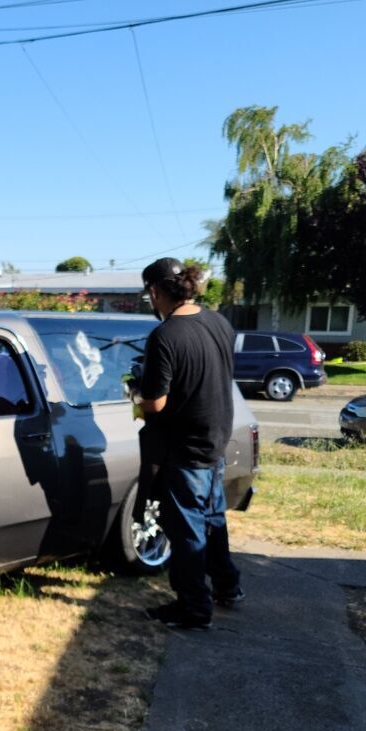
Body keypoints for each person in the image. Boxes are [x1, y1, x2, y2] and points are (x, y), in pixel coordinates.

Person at [133, 257, 242, 629]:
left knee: (187, 531)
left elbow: (156, 403)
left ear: (154, 291)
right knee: (213, 520)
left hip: (185, 450)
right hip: (216, 441)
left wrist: (138, 393)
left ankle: (194, 609)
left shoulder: (165, 336)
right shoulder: (220, 323)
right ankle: (228, 586)